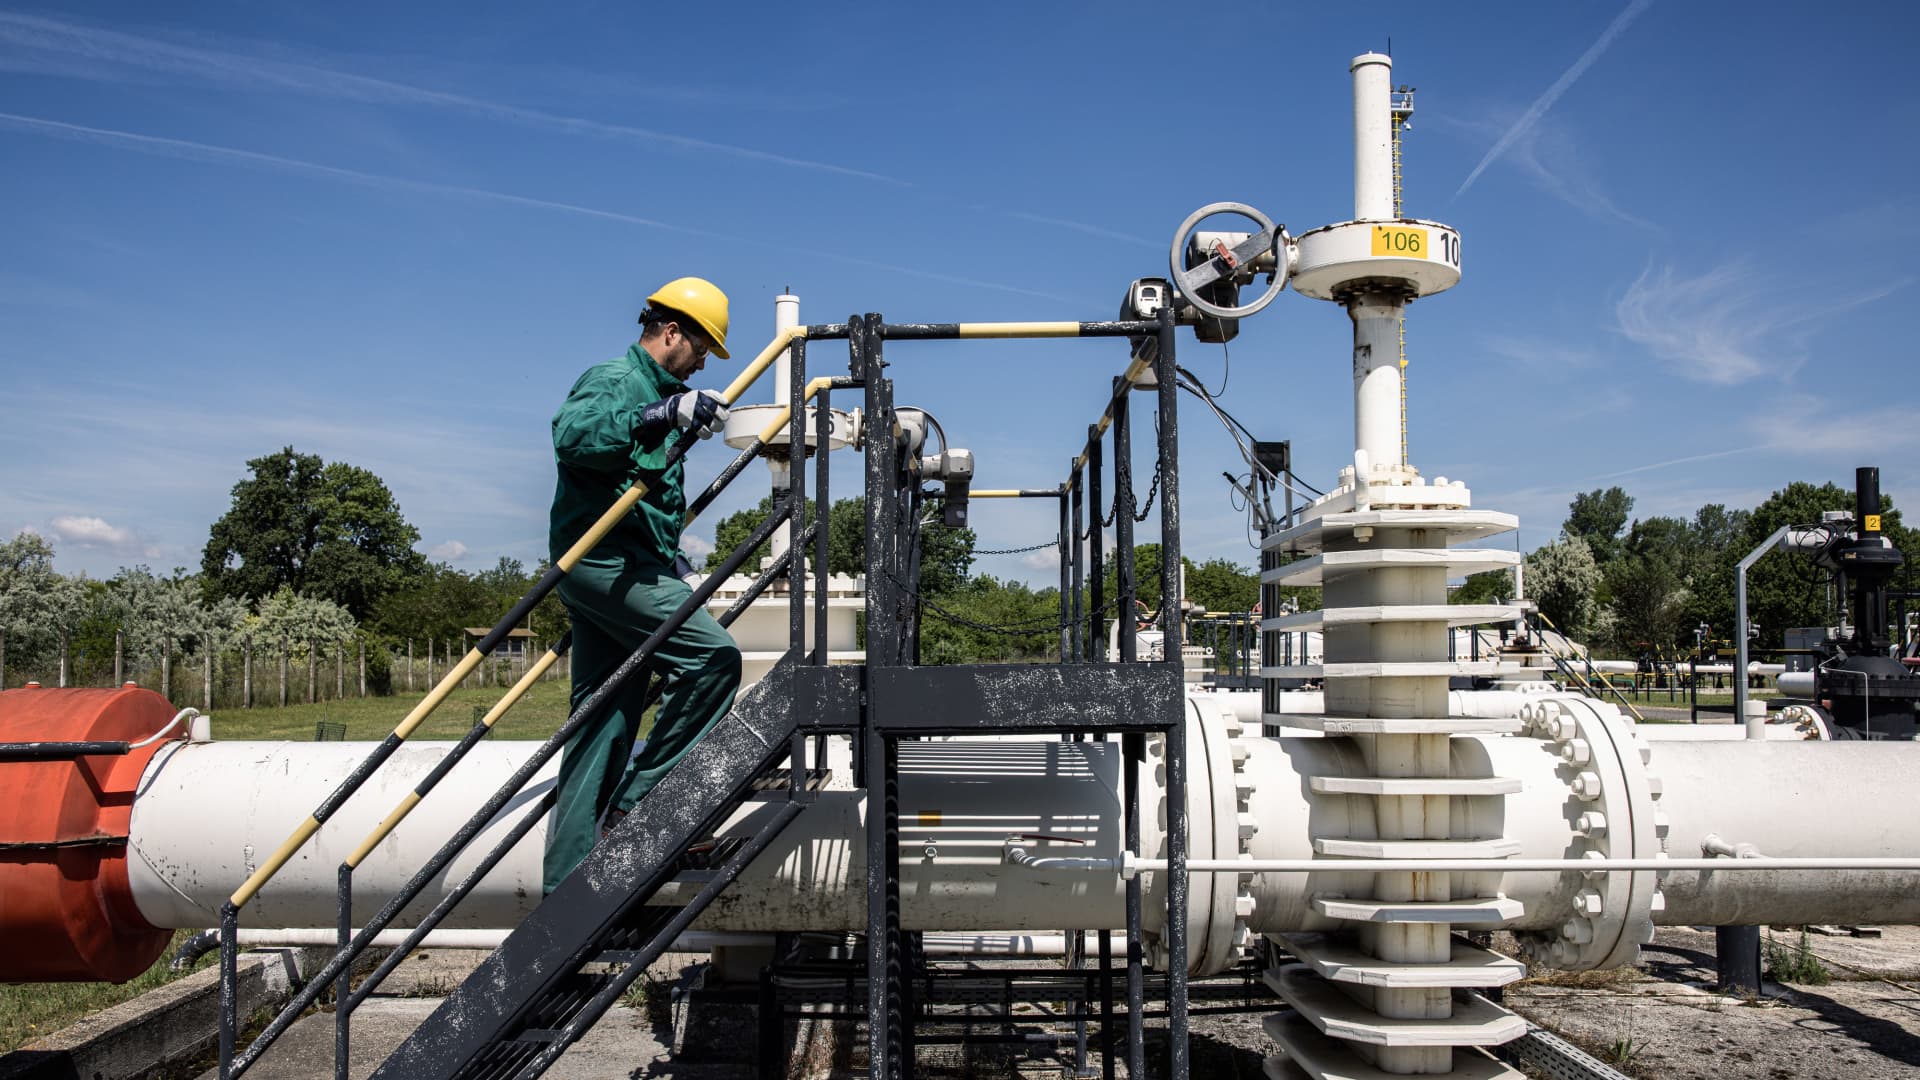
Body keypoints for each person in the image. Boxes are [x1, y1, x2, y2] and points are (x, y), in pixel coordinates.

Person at [542, 276, 743, 894]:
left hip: (627, 563)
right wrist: (658, 415)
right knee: (713, 659)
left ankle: (567, 896)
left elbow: (643, 499)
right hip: (606, 562)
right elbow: (572, 437)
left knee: (601, 722)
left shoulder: (662, 394)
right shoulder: (617, 381)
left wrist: (674, 560)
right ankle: (643, 808)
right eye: (702, 348)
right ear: (672, 332)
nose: (703, 363)